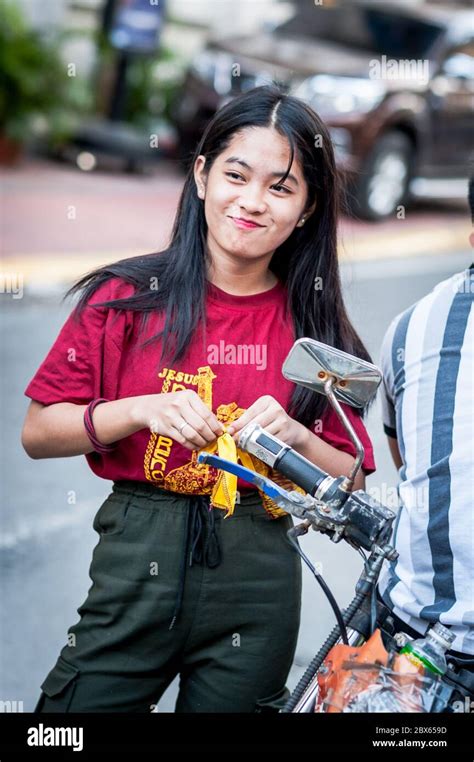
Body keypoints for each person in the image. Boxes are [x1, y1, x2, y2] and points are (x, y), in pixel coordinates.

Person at [22, 85, 376, 713]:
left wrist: (295, 437)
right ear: (202, 174)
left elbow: (353, 481)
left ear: (307, 207)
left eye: (281, 187)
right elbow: (40, 431)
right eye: (236, 175)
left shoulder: (320, 332)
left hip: (260, 574)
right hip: (137, 560)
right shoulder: (123, 297)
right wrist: (138, 409)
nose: (252, 201)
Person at [377, 176, 474, 675]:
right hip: (420, 639)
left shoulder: (412, 326)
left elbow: (409, 462)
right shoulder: (411, 329)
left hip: (411, 627)